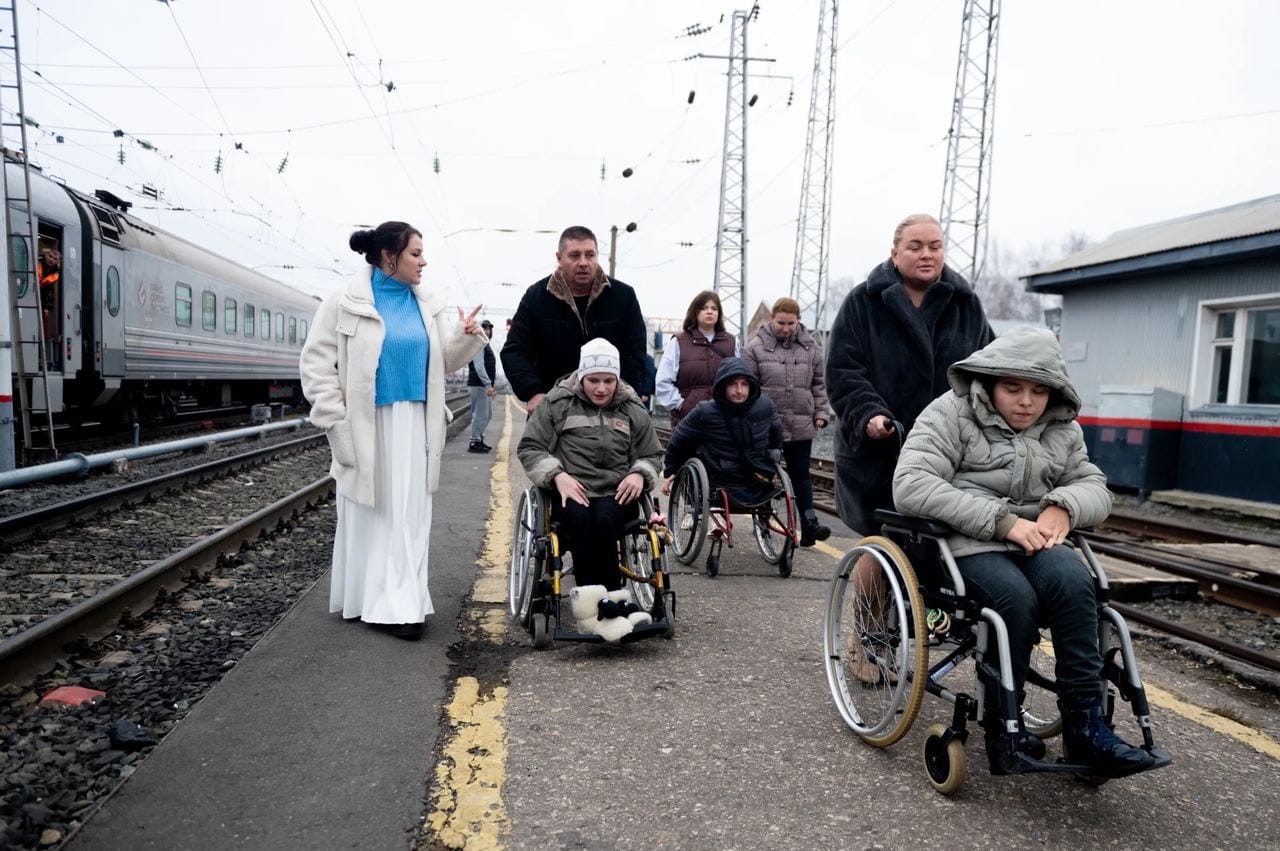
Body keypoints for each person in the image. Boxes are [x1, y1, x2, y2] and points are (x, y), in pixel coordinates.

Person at [893, 326, 1155, 778]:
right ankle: (1003, 730)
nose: (1026, 402)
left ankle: (1086, 728)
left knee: (1078, 585)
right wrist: (1001, 521)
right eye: (1013, 388)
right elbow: (911, 485)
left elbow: (1094, 485)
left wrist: (1064, 507)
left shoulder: (1061, 428)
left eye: (1038, 391)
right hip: (964, 541)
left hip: (1036, 538)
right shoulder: (950, 413)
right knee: (1013, 599)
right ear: (989, 380)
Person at [300, 221, 488, 640]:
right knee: (371, 512)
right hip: (367, 422)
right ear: (389, 256)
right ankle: (367, 601)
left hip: (415, 422)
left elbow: (444, 361)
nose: (424, 262)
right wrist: (335, 420)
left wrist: (466, 337)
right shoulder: (344, 302)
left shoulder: (427, 305)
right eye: (415, 253)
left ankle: (401, 606)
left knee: (409, 514)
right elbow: (315, 366)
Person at [826, 213, 994, 538]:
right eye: (915, 247)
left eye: (935, 246)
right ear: (895, 254)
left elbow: (988, 369)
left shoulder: (966, 306)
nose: (926, 254)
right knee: (883, 547)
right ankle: (870, 591)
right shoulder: (862, 303)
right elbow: (843, 371)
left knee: (942, 549)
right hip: (881, 450)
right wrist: (868, 414)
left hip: (950, 450)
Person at [517, 338, 664, 591]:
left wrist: (640, 474)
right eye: (593, 380)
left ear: (617, 379)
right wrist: (556, 475)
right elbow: (531, 447)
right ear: (581, 377)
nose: (601, 389)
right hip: (571, 490)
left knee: (605, 520)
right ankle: (593, 601)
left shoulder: (632, 408)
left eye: (609, 381)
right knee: (580, 522)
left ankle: (610, 599)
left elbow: (652, 453)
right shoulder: (557, 403)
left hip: (616, 491)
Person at [501, 226, 647, 414]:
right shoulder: (537, 297)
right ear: (559, 258)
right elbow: (514, 350)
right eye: (575, 255)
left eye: (590, 255)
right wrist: (533, 392)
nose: (583, 262)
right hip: (552, 410)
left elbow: (635, 352)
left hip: (610, 410)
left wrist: (623, 394)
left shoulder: (623, 296)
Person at [743, 296, 833, 547]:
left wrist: (821, 414)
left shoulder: (812, 348)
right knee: (763, 474)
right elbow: (748, 386)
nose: (785, 328)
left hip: (802, 424)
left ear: (798, 322)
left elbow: (818, 384)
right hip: (766, 425)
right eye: (781, 322)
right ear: (773, 319)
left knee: (801, 475)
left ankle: (809, 524)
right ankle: (763, 522)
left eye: (790, 323)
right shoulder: (755, 347)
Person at [662, 357, 784, 510]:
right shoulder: (705, 411)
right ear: (722, 387)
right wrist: (671, 470)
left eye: (744, 384)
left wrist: (773, 456)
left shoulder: (765, 405)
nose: (739, 390)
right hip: (720, 482)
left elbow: (777, 434)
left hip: (757, 480)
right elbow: (679, 440)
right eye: (732, 384)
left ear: (751, 385)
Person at [655, 290, 736, 428]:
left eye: (714, 308)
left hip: (725, 420)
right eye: (704, 308)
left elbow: (738, 378)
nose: (709, 312)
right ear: (695, 312)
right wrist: (682, 406)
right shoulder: (678, 342)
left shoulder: (732, 342)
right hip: (689, 420)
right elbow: (663, 381)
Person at [467, 319, 497, 453]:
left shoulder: (484, 344)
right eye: (484, 328)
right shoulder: (478, 344)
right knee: (480, 415)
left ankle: (479, 439)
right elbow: (479, 366)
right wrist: (488, 384)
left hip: (482, 385)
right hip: (479, 384)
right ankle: (474, 442)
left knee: (487, 414)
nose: (487, 331)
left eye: (489, 329)